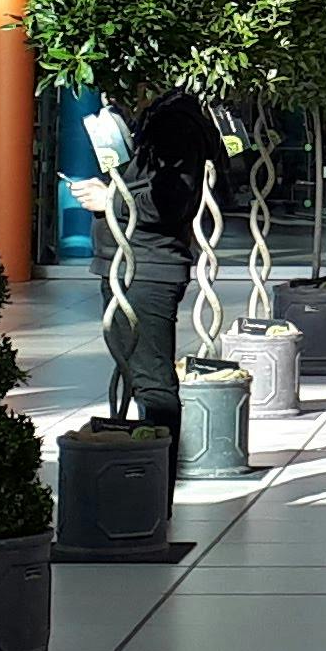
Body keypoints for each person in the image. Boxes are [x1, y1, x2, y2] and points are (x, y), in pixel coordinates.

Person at [74, 84, 227, 423]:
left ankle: (160, 468)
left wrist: (110, 200)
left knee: (151, 381)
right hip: (133, 263)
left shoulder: (173, 124)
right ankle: (152, 463)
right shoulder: (161, 119)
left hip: (146, 266)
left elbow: (170, 202)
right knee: (139, 373)